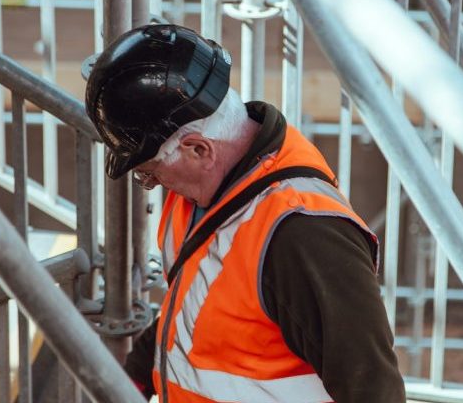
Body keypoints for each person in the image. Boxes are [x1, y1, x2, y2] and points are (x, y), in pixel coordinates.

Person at [85, 23, 405, 402]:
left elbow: (372, 390)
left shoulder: (303, 236)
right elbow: (193, 300)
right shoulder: (204, 192)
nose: (152, 182)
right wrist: (136, 375)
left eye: (149, 172)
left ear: (198, 149)